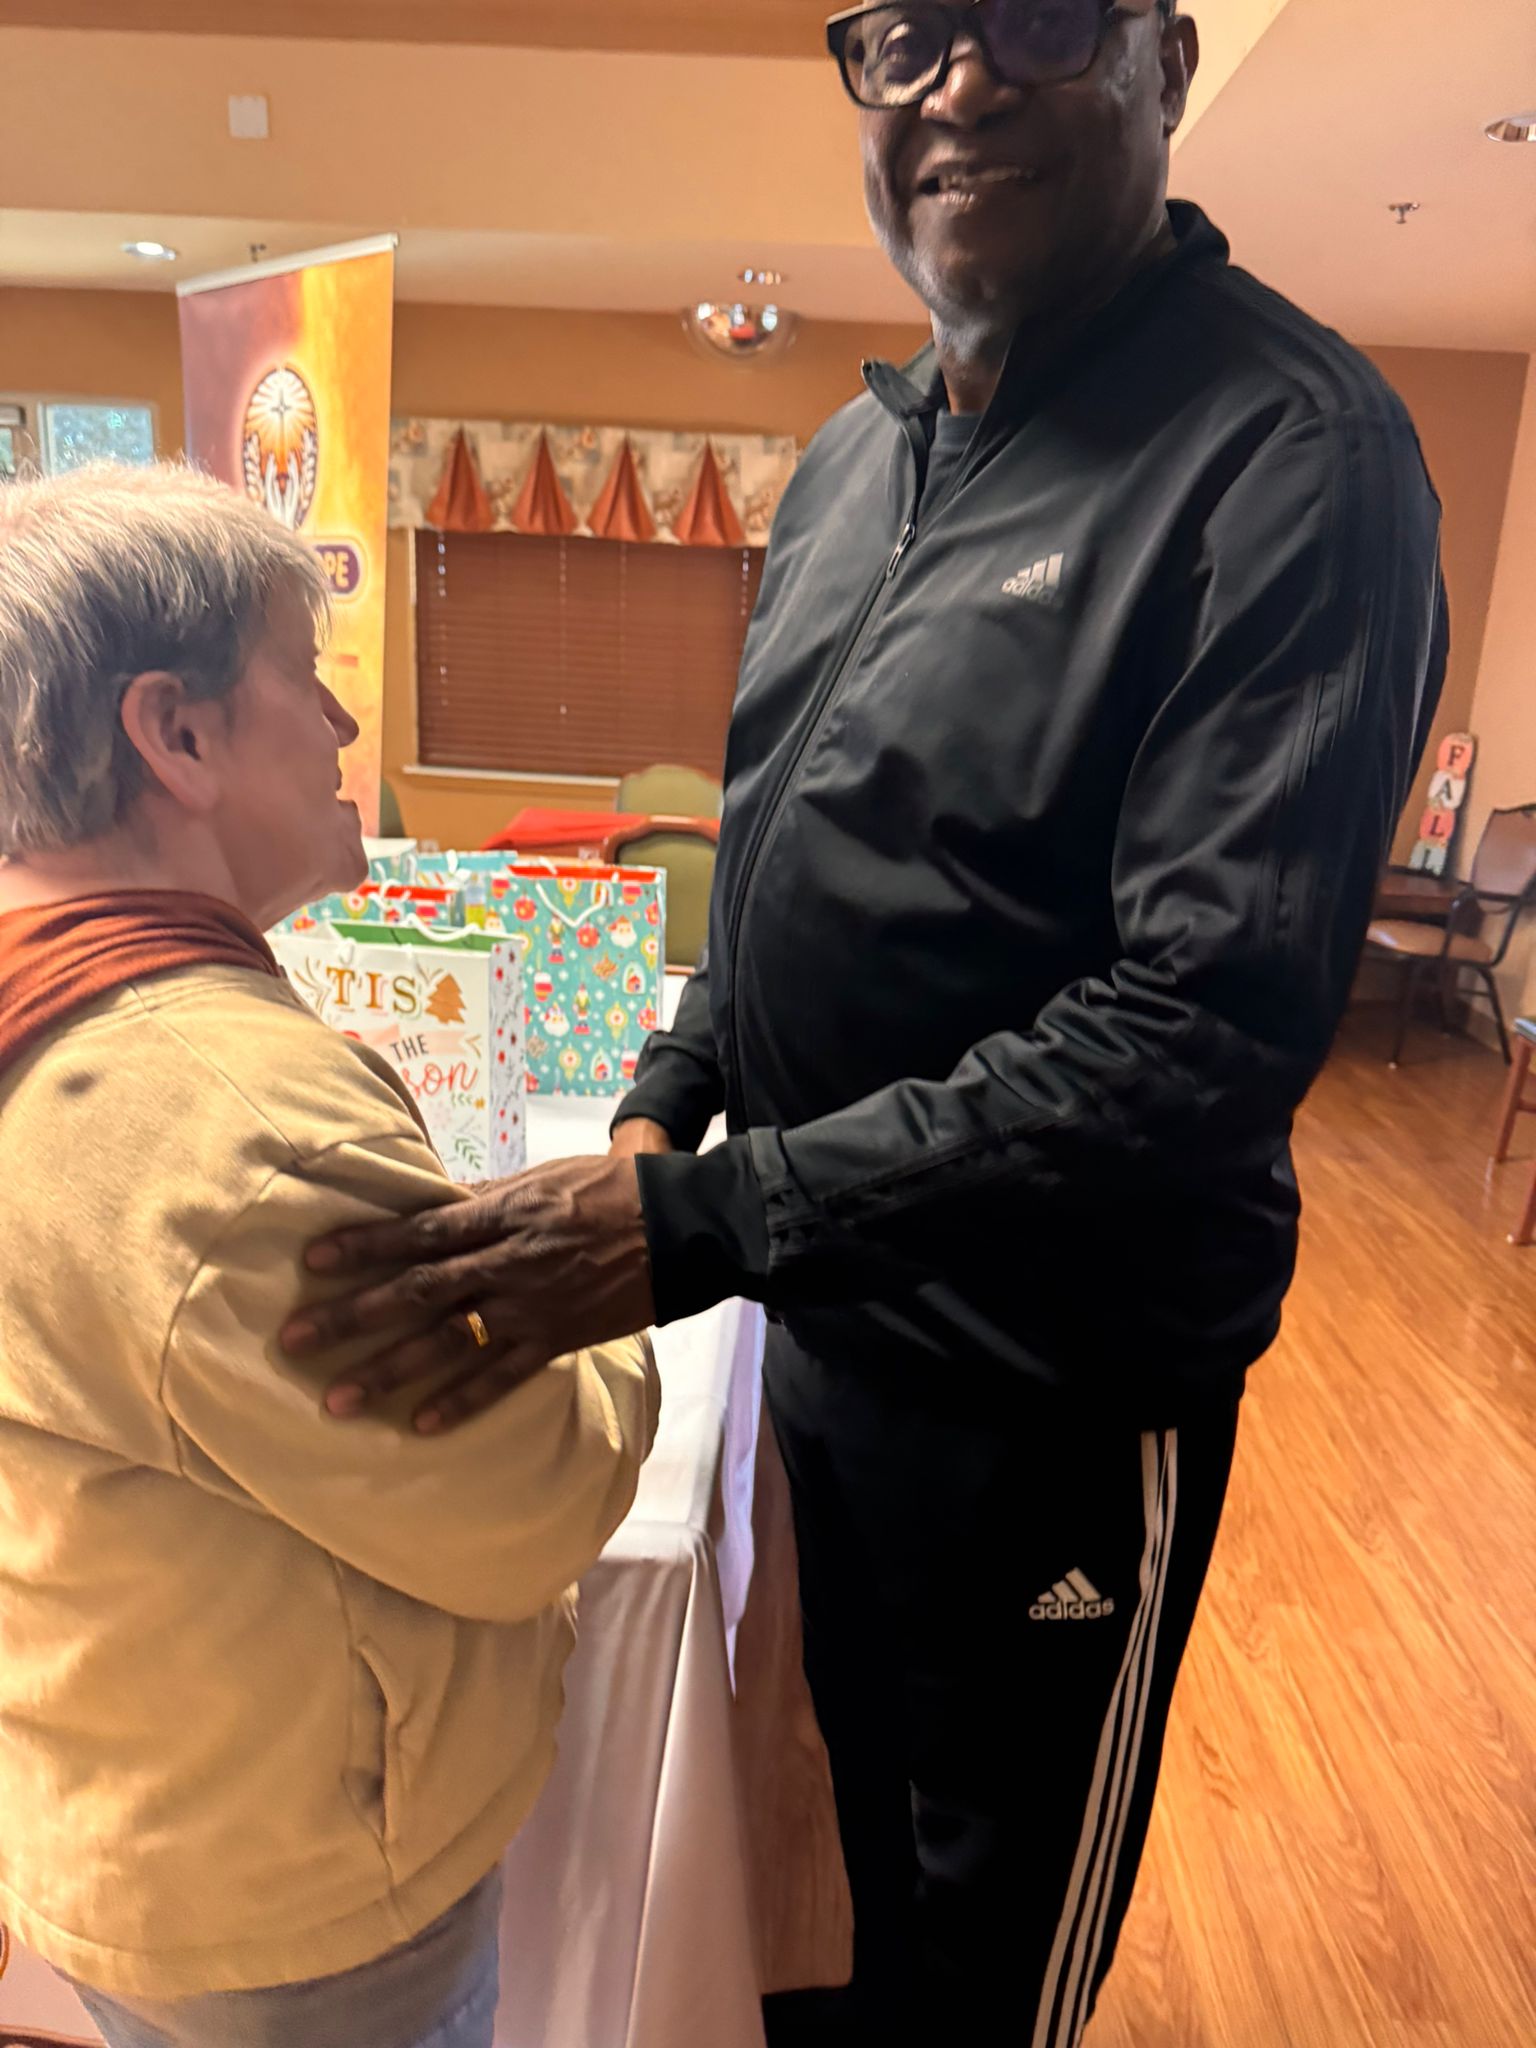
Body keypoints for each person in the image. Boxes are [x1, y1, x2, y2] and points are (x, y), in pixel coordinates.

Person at [282, 1, 1447, 2040]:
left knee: (988, 1965)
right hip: (824, 1339)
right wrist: (668, 1098)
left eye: (1039, 21)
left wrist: (700, 1224)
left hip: (1053, 1396)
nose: (964, 85)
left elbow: (1205, 1029)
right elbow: (782, 851)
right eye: (908, 37)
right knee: (854, 1863)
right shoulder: (848, 459)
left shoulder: (1292, 456)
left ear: (1169, 62)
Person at [0, 463, 659, 2048]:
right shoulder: (229, 1131)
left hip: (132, 1804)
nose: (347, 725)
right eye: (306, 676)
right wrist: (627, 1250)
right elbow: (532, 1495)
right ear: (177, 734)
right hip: (298, 1910)